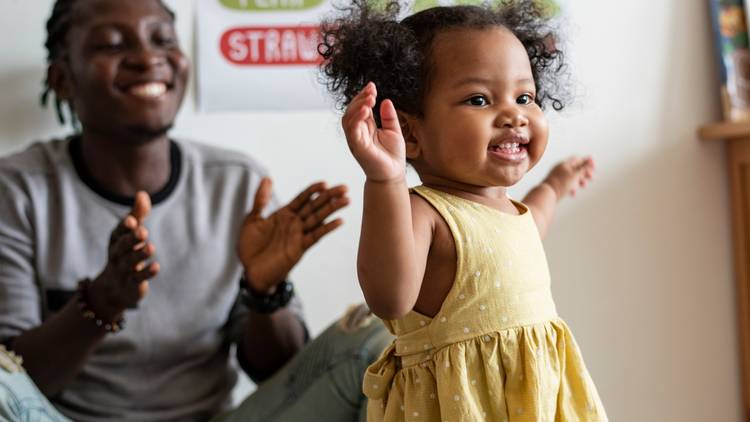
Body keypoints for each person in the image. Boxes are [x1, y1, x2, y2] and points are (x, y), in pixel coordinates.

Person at [0, 0, 391, 421]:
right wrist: (101, 303)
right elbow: (17, 378)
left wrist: (264, 293)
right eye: (112, 45)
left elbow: (283, 373)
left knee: (376, 338)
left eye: (163, 40)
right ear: (62, 79)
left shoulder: (237, 183)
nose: (147, 58)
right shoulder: (19, 190)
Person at [318, 0, 608, 420]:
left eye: (524, 96)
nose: (513, 114)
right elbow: (390, 296)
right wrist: (386, 180)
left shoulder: (509, 211)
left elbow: (532, 226)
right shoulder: (426, 213)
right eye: (478, 99)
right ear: (411, 134)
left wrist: (555, 186)